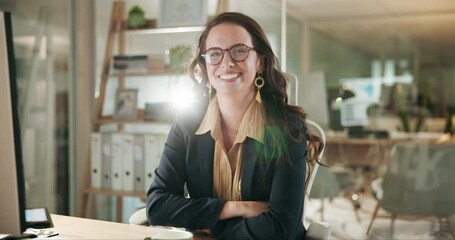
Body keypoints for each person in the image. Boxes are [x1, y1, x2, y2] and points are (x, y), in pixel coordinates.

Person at [146, 12, 323, 240]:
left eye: (239, 51)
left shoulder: (288, 128)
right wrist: (234, 208)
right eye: (215, 54)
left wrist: (209, 226)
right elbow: (157, 206)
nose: (227, 63)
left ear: (260, 62)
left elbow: (281, 228)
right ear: (205, 65)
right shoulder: (187, 122)